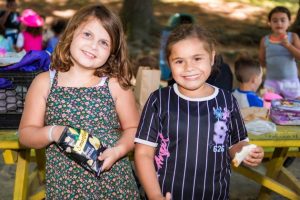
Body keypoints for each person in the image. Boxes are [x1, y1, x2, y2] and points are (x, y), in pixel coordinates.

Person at [18, 4, 140, 199]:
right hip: (65, 188)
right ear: (71, 34)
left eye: (104, 42)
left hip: (114, 185)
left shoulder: (114, 84)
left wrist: (118, 151)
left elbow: (133, 129)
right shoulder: (44, 83)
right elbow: (25, 134)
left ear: (112, 52)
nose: (93, 46)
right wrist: (54, 132)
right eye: (88, 35)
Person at [134, 24, 264, 200]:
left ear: (211, 57)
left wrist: (247, 152)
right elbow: (143, 153)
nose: (189, 67)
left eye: (197, 58)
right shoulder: (159, 100)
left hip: (215, 195)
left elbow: (235, 144)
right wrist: (155, 195)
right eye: (179, 61)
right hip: (167, 194)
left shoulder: (227, 100)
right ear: (169, 63)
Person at [259, 6, 300, 99]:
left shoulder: (293, 37)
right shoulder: (265, 40)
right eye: (275, 20)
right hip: (271, 81)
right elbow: (261, 60)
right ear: (269, 23)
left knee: (294, 106)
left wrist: (288, 46)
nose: (279, 23)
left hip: (290, 81)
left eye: (283, 20)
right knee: (269, 106)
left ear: (289, 22)